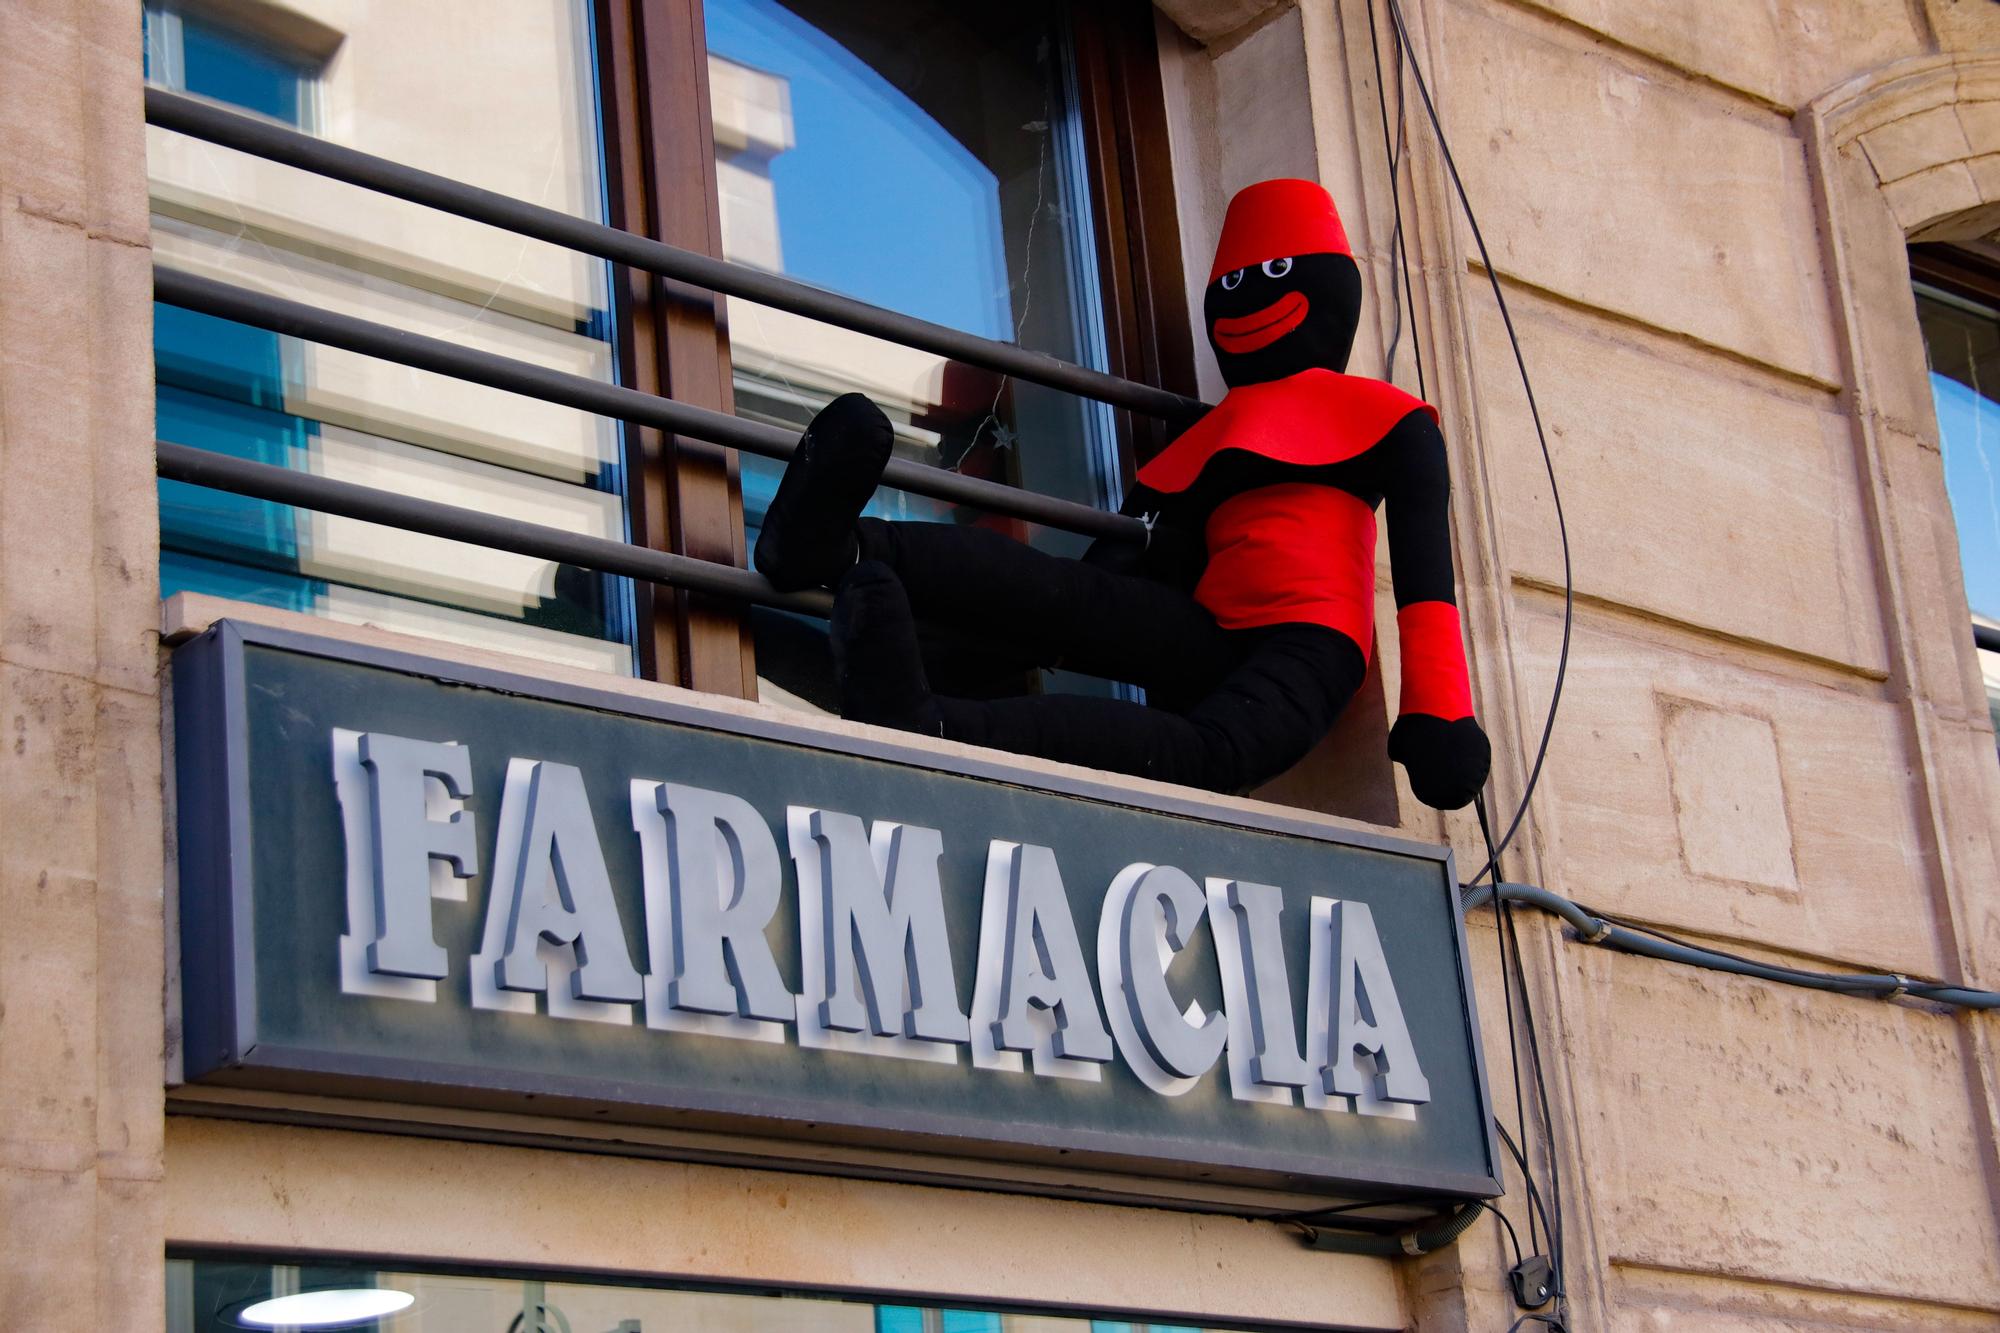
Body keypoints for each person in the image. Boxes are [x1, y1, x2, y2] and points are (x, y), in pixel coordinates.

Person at [753, 178, 1489, 809]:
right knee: (1065, 598)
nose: (1249, 296)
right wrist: (1041, 624)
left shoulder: (1387, 418)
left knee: (1214, 751)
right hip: (1206, 623)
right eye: (1232, 282)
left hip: (1312, 641)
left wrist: (1440, 712)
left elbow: (1427, 585)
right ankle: (837, 545)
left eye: (1275, 274)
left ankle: (935, 720)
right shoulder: (1212, 436)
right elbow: (1108, 573)